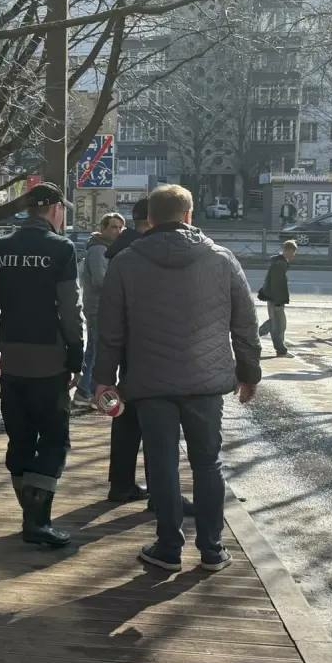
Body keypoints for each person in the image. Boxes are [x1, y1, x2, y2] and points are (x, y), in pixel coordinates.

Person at [93, 185, 261, 573]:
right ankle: (212, 549)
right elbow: (245, 324)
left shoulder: (126, 262)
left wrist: (104, 380)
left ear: (150, 219)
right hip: (205, 383)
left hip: (149, 382)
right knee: (208, 463)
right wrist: (249, 373)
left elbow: (110, 330)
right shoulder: (221, 260)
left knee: (162, 462)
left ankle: (169, 548)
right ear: (189, 215)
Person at [0, 182, 85, 548]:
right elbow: (71, 308)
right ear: (53, 208)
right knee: (55, 440)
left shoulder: (2, 248)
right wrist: (76, 354)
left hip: (13, 362)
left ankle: (31, 516)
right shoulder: (61, 249)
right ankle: (37, 523)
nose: (64, 214)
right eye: (63, 208)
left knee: (20, 438)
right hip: (49, 363)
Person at [103, 199, 150, 503]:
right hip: (148, 345)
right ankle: (156, 492)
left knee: (125, 416)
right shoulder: (145, 251)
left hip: (124, 345)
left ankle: (120, 482)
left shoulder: (120, 249)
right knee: (153, 421)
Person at [79, 213, 126, 405]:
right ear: (104, 228)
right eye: (114, 227)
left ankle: (88, 389)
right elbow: (100, 280)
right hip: (98, 307)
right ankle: (84, 390)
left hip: (102, 307)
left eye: (120, 227)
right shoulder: (99, 248)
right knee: (96, 348)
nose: (118, 231)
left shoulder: (109, 248)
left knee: (97, 348)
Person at [258, 240, 297, 356]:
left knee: (278, 324)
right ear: (288, 251)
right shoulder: (280, 264)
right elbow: (277, 284)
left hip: (274, 298)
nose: (293, 255)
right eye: (293, 252)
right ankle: (252, 337)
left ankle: (280, 349)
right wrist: (278, 301)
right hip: (276, 300)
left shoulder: (279, 262)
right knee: (277, 325)